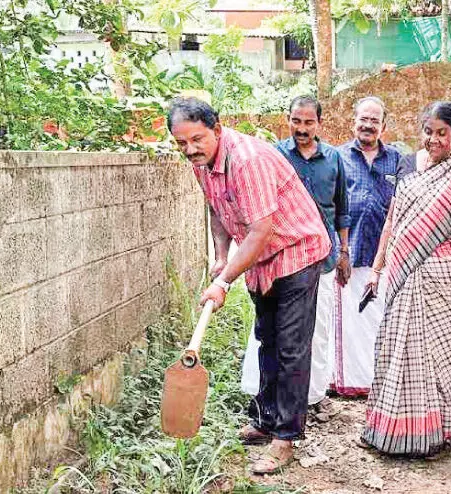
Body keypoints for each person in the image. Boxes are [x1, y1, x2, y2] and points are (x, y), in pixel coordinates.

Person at [167, 98, 330, 474]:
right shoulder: (203, 164)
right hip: (262, 258)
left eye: (197, 139)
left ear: (217, 130)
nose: (190, 149)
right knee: (266, 339)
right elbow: (217, 208)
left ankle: (285, 438)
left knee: (291, 348)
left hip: (295, 249)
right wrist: (222, 254)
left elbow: (262, 231)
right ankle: (266, 418)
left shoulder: (247, 160)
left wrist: (224, 281)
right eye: (182, 143)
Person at [360, 102, 451, 456]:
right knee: (396, 349)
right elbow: (392, 220)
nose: (433, 139)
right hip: (405, 273)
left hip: (450, 276)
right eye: (428, 132)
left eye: (441, 133)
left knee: (444, 358)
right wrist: (377, 267)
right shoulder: (410, 164)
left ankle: (442, 433)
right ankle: (391, 430)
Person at [276, 96, 351, 423]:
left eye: (308, 122)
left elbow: (342, 210)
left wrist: (344, 252)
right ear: (288, 120)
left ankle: (316, 396)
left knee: (319, 330)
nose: (302, 129)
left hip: (323, 258)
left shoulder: (333, 158)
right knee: (285, 331)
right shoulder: (277, 155)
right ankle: (279, 397)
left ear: (319, 123)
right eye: (296, 121)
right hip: (286, 259)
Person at [333, 96, 401, 398]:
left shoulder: (397, 160)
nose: (368, 125)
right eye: (364, 118)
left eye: (375, 120)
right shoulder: (337, 157)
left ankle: (375, 380)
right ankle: (347, 382)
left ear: (383, 126)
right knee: (348, 323)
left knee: (377, 320)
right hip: (349, 251)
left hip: (384, 257)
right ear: (353, 122)